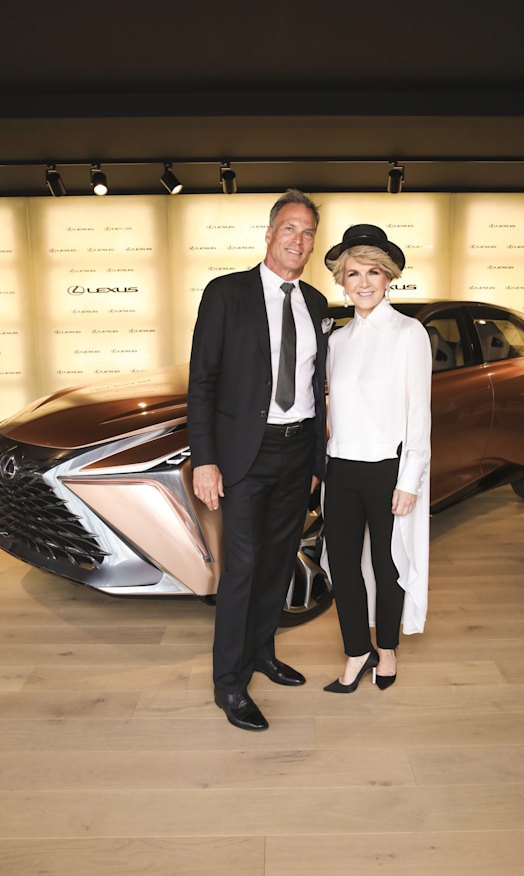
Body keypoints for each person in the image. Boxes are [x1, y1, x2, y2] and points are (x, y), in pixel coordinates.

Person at [187, 190, 330, 730]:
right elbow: (201, 382)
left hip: (298, 453)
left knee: (277, 560)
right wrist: (205, 460)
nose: (299, 240)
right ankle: (229, 684)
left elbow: (316, 387)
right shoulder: (227, 294)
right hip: (245, 454)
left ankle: (263, 652)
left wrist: (315, 458)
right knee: (242, 569)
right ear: (269, 234)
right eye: (290, 229)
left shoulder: (316, 303)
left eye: (308, 232)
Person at [322, 224, 432, 693]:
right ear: (341, 282)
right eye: (352, 274)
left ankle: (385, 649)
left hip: (389, 470)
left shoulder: (410, 334)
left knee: (389, 568)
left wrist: (409, 480)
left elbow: (418, 414)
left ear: (389, 278)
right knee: (344, 568)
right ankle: (356, 652)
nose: (363, 282)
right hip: (340, 468)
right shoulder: (336, 341)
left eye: (373, 272)